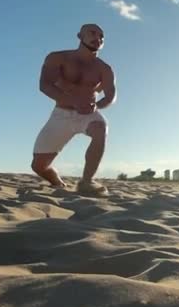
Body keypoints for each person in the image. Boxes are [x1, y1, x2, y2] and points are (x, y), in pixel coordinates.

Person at [31, 23, 116, 195]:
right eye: (93, 33)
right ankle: (57, 182)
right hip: (61, 115)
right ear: (80, 36)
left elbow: (110, 96)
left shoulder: (104, 68)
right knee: (38, 166)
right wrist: (72, 101)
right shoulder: (58, 57)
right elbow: (44, 85)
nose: (98, 38)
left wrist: (97, 106)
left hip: (88, 115)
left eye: (101, 36)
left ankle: (87, 181)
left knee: (100, 128)